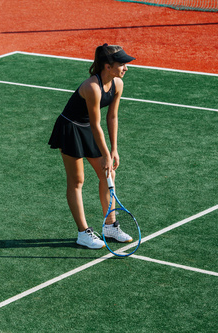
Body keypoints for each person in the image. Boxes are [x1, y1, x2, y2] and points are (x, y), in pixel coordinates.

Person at [48, 44, 135, 249]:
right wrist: (105, 154)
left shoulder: (117, 84)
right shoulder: (92, 88)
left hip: (87, 127)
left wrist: (113, 150)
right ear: (107, 66)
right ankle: (83, 233)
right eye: (121, 64)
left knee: (108, 175)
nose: (126, 68)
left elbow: (112, 116)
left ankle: (110, 225)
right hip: (70, 128)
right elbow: (96, 125)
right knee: (77, 180)